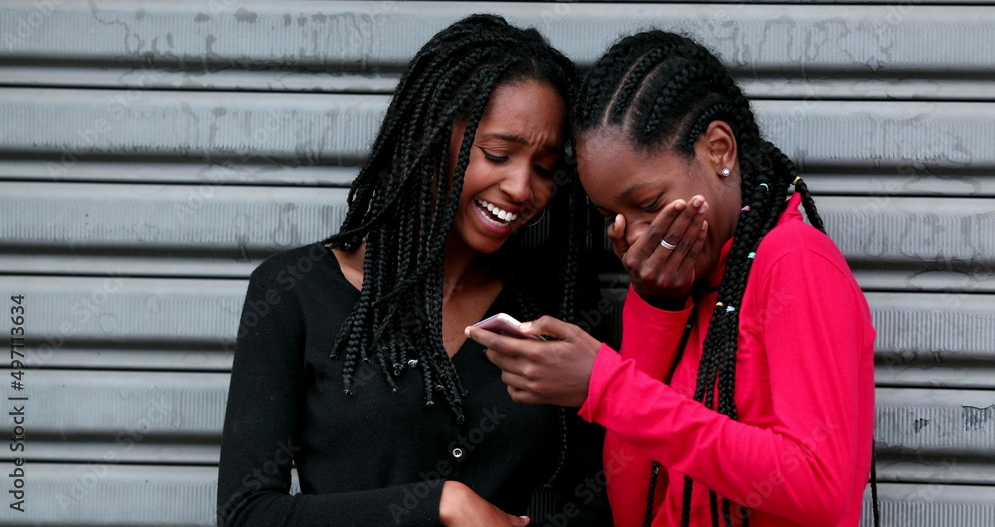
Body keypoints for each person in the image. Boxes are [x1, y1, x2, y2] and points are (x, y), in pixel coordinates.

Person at [467, 30, 875, 527]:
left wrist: (609, 388)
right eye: (612, 217)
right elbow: (634, 509)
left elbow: (820, 488)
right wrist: (656, 307)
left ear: (719, 149)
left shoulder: (795, 261)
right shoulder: (686, 289)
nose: (638, 237)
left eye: (650, 203)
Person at [217, 14, 611, 527]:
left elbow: (602, 506)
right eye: (497, 154)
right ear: (431, 137)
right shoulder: (295, 293)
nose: (522, 188)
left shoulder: (556, 308)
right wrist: (443, 504)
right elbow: (247, 514)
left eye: (544, 168)